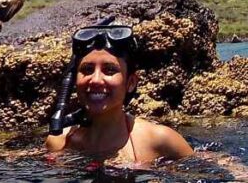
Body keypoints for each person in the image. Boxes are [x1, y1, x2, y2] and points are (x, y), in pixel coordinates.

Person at [45, 23, 194, 165]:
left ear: (131, 83)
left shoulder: (160, 140)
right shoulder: (59, 142)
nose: (95, 80)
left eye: (110, 70)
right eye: (87, 70)